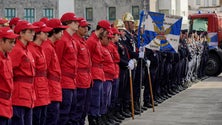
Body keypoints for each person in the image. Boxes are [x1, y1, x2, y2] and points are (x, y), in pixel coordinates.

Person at [9, 20, 37, 125]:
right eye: (30, 31)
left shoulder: (27, 50)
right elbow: (9, 71)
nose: (33, 34)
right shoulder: (16, 50)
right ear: (21, 33)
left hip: (28, 93)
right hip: (19, 95)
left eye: (33, 31)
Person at [55, 12, 81, 125]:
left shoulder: (71, 39)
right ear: (68, 24)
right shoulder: (62, 40)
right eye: (75, 22)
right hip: (65, 81)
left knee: (72, 110)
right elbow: (58, 62)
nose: (77, 24)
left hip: (72, 80)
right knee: (64, 112)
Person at [86, 20, 111, 125]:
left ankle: (97, 117)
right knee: (95, 100)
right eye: (106, 32)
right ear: (101, 30)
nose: (107, 35)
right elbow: (88, 59)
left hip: (99, 73)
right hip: (94, 73)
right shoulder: (91, 41)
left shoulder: (97, 41)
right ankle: (93, 119)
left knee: (100, 99)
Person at [28, 21, 52, 125]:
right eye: (44, 32)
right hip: (37, 89)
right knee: (37, 118)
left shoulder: (41, 48)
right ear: (37, 34)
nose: (47, 34)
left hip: (43, 87)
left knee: (43, 117)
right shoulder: (31, 50)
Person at [43, 18, 67, 125]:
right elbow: (45, 70)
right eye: (60, 30)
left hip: (55, 87)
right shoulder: (47, 47)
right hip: (51, 88)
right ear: (53, 32)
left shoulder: (51, 46)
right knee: (52, 117)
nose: (63, 33)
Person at [72, 18, 92, 125]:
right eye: (83, 27)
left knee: (86, 106)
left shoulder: (83, 41)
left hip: (87, 77)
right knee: (79, 106)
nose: (86, 29)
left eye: (86, 27)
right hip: (80, 78)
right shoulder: (75, 41)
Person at [0, 27, 18, 125]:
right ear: (1, 41)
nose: (13, 45)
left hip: (7, 105)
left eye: (14, 42)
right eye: (10, 42)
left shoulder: (8, 58)